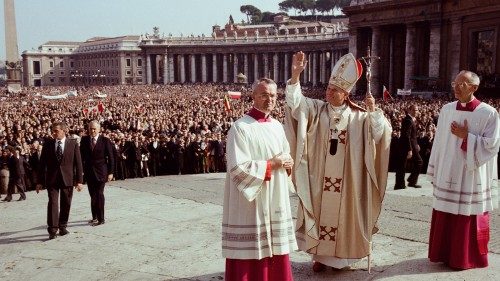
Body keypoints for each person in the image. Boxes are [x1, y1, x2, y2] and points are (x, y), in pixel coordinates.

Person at [284, 51, 392, 271]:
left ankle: (341, 260)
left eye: (335, 90)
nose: (329, 92)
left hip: (349, 180)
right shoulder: (316, 109)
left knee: (345, 216)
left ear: (346, 94)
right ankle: (319, 257)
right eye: (328, 88)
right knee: (320, 212)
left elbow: (381, 135)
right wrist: (296, 76)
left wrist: (374, 112)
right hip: (320, 177)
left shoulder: (360, 116)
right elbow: (296, 104)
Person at [222, 78, 297, 281]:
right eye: (263, 94)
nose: (269, 99)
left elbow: (285, 156)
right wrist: (271, 164)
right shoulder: (240, 128)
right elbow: (237, 168)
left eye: (272, 95)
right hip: (252, 202)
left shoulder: (277, 126)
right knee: (251, 255)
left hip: (275, 196)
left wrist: (287, 164)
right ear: (253, 96)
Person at [427, 70, 499, 269]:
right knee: (445, 212)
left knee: (467, 215)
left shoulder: (488, 113)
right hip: (448, 170)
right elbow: (439, 142)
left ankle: (466, 257)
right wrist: (435, 168)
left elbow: (493, 145)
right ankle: (443, 253)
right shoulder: (447, 110)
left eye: (463, 84)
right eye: (455, 83)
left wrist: (467, 137)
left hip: (471, 173)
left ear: (474, 88)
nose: (457, 87)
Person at [36, 122, 83, 240]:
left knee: (66, 203)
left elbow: (78, 163)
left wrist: (79, 181)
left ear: (64, 131)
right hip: (52, 179)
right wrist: (39, 181)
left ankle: (62, 226)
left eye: (56, 131)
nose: (53, 133)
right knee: (52, 203)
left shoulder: (73, 144)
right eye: (53, 130)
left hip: (67, 178)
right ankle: (52, 229)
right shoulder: (48, 144)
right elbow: (42, 164)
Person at [80, 120, 115, 226]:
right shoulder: (85, 140)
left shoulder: (105, 140)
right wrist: (80, 172)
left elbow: (111, 157)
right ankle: (94, 216)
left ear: (99, 129)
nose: (92, 130)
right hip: (89, 172)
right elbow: (81, 157)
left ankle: (101, 218)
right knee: (92, 195)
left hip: (101, 172)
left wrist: (111, 172)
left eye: (95, 129)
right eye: (91, 128)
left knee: (99, 194)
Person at [394, 104, 423, 189]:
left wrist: (416, 144)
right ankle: (404, 183)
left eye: (417, 110)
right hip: (406, 146)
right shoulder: (408, 120)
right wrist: (409, 149)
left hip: (410, 145)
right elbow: (406, 136)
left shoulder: (410, 119)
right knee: (416, 162)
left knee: (404, 165)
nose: (416, 112)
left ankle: (407, 182)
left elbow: (412, 135)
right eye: (414, 110)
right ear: (409, 110)